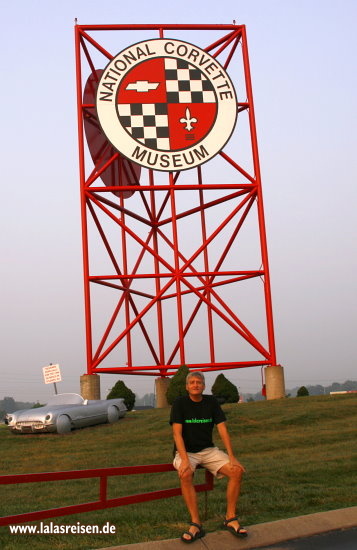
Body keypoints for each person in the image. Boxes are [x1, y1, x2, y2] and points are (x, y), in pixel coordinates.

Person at [169, 371, 248, 543]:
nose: (195, 385)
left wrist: (232, 457)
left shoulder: (211, 402)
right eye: (192, 382)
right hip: (186, 452)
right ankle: (196, 523)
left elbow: (222, 429)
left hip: (208, 450)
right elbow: (177, 434)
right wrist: (184, 460)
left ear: (203, 386)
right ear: (187, 387)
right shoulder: (179, 403)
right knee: (186, 474)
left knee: (236, 472)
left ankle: (230, 517)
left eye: (199, 382)